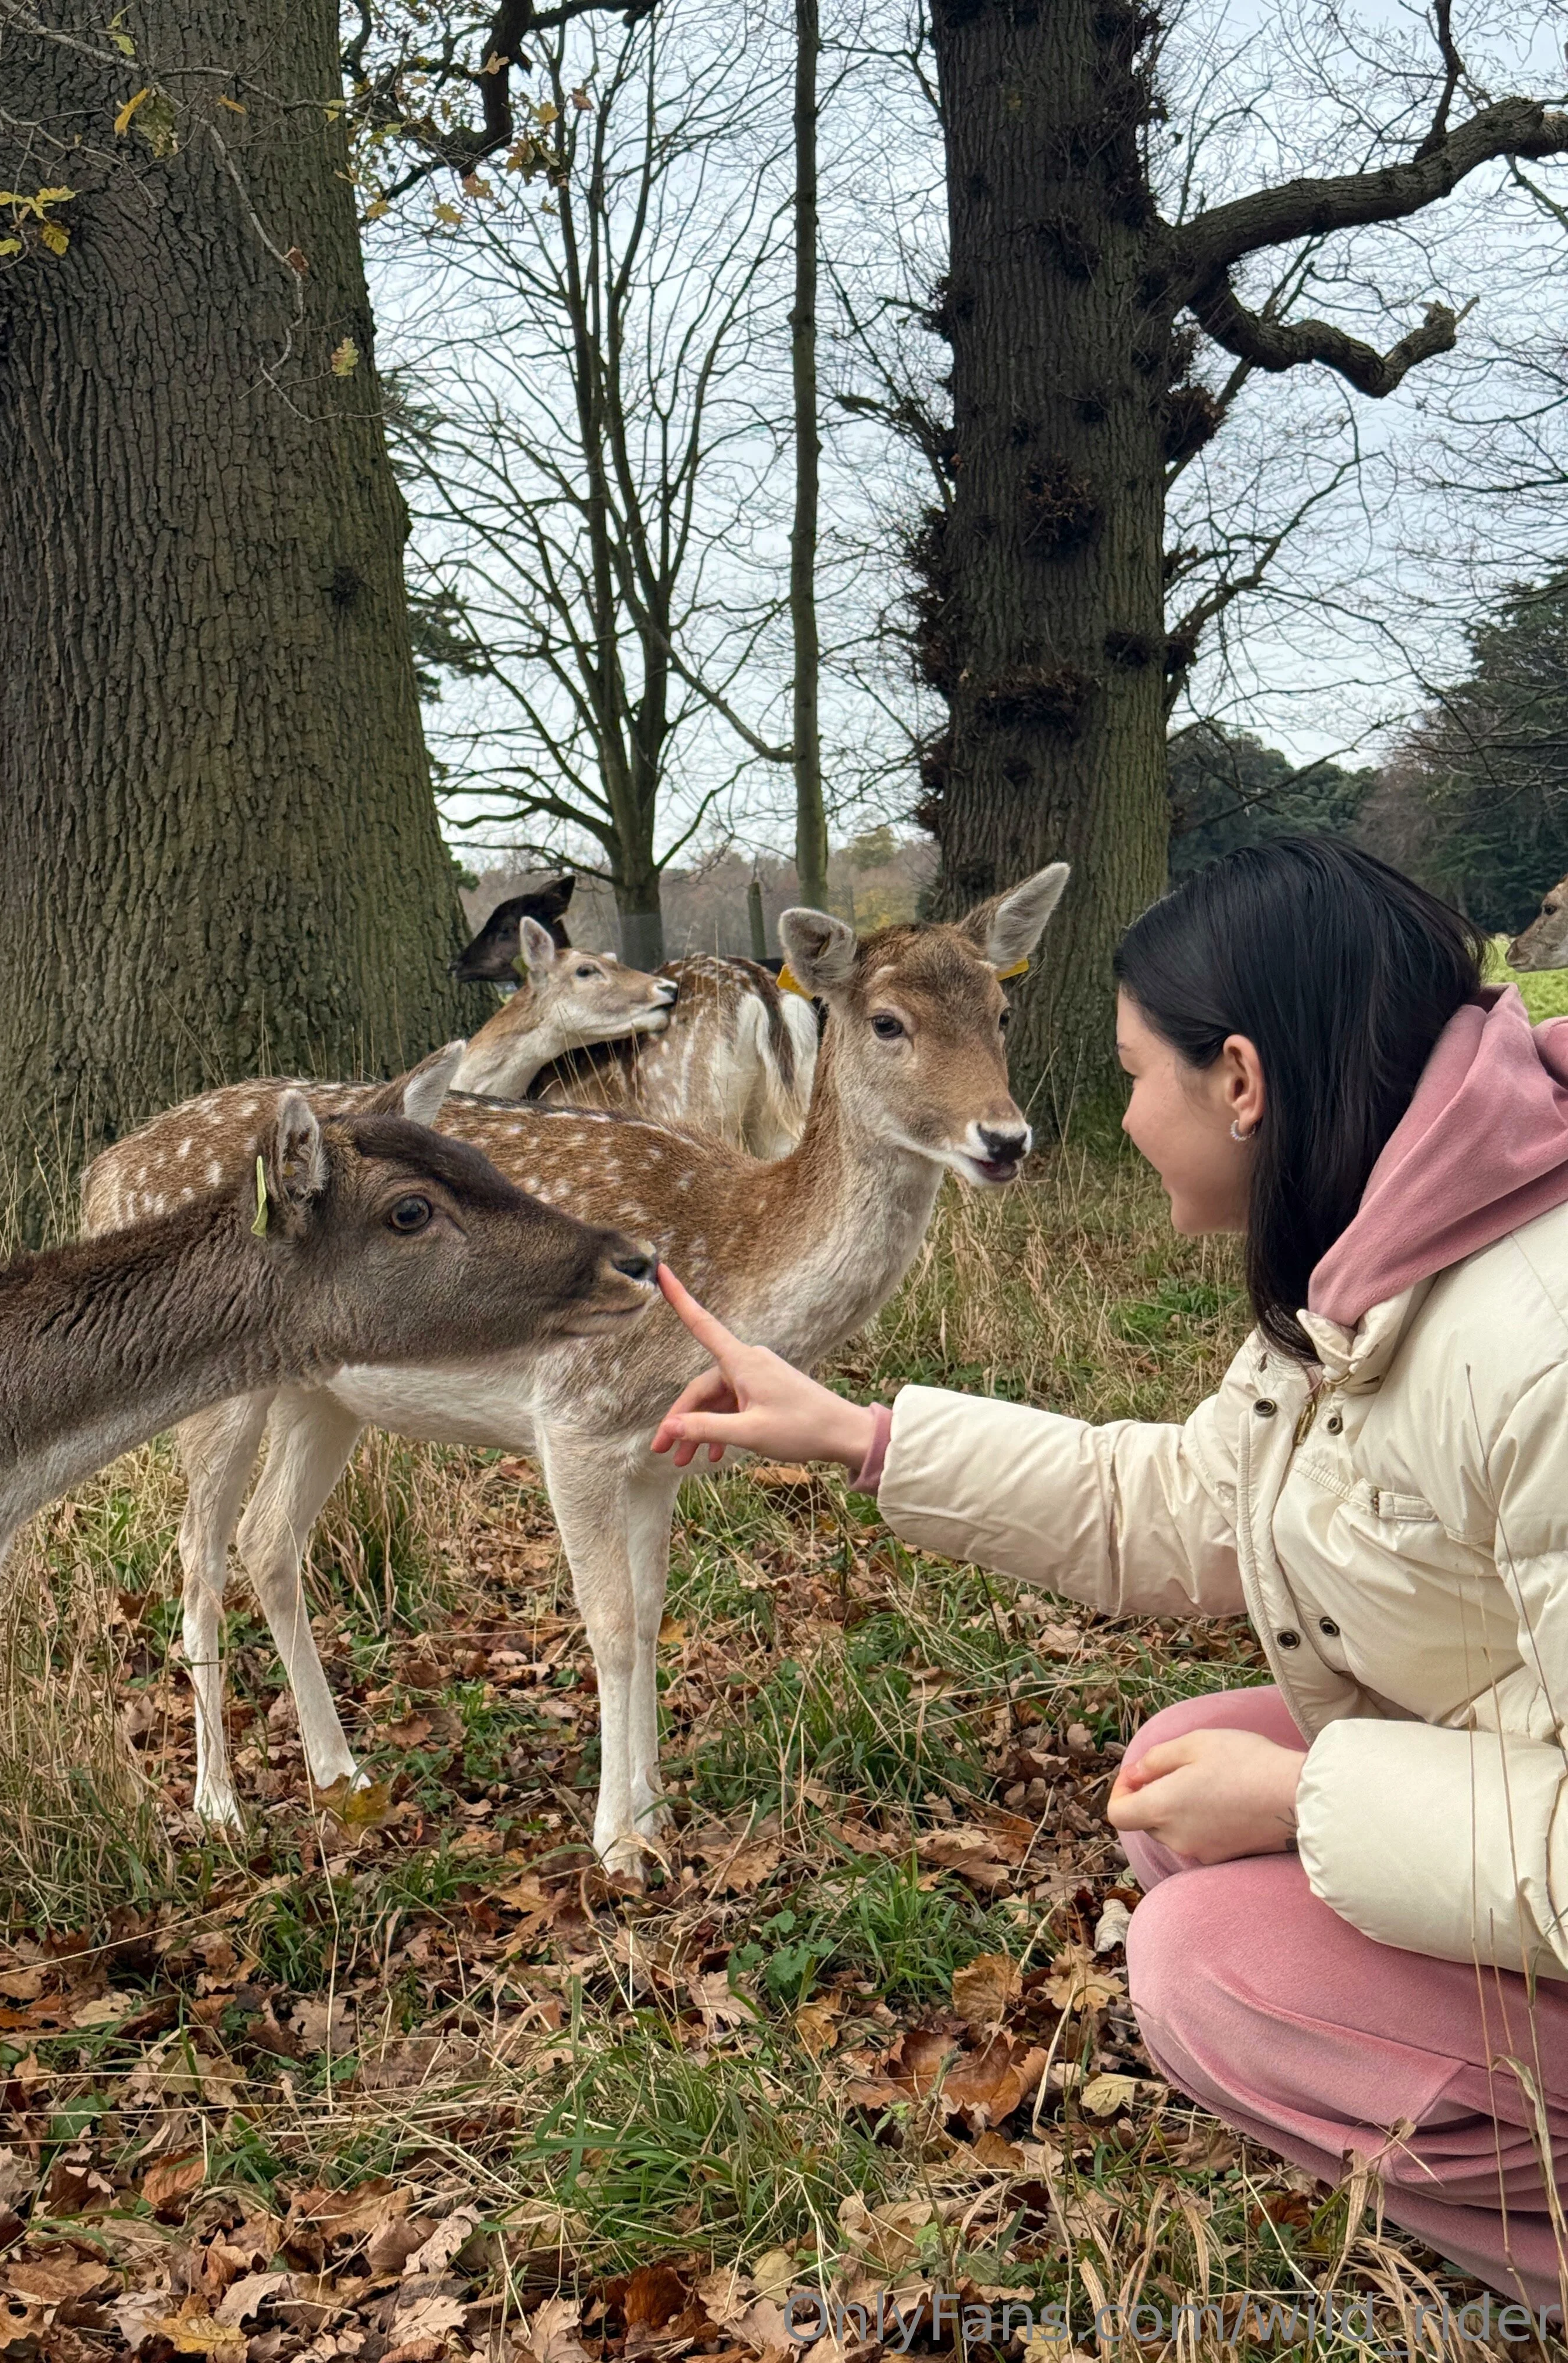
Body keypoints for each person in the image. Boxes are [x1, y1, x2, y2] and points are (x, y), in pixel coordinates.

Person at [651, 838, 1568, 2310]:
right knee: (1171, 1774)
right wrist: (864, 1437)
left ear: (1245, 1083)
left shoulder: (1537, 1344)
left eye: (1138, 1074)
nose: (1117, 1114)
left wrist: (1302, 1801)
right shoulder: (1377, 1247)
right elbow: (1194, 1501)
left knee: (1200, 1963)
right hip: (1511, 1748)